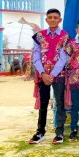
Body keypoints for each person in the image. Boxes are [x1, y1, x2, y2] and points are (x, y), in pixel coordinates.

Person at [29, 8, 69, 144]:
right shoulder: (39, 36)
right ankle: (40, 131)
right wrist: (43, 73)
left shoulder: (65, 36)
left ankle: (59, 132)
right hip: (42, 75)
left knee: (59, 102)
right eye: (50, 17)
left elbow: (64, 58)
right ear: (46, 20)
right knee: (44, 103)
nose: (52, 19)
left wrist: (51, 74)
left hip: (59, 75)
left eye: (55, 17)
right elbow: (35, 56)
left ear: (60, 20)